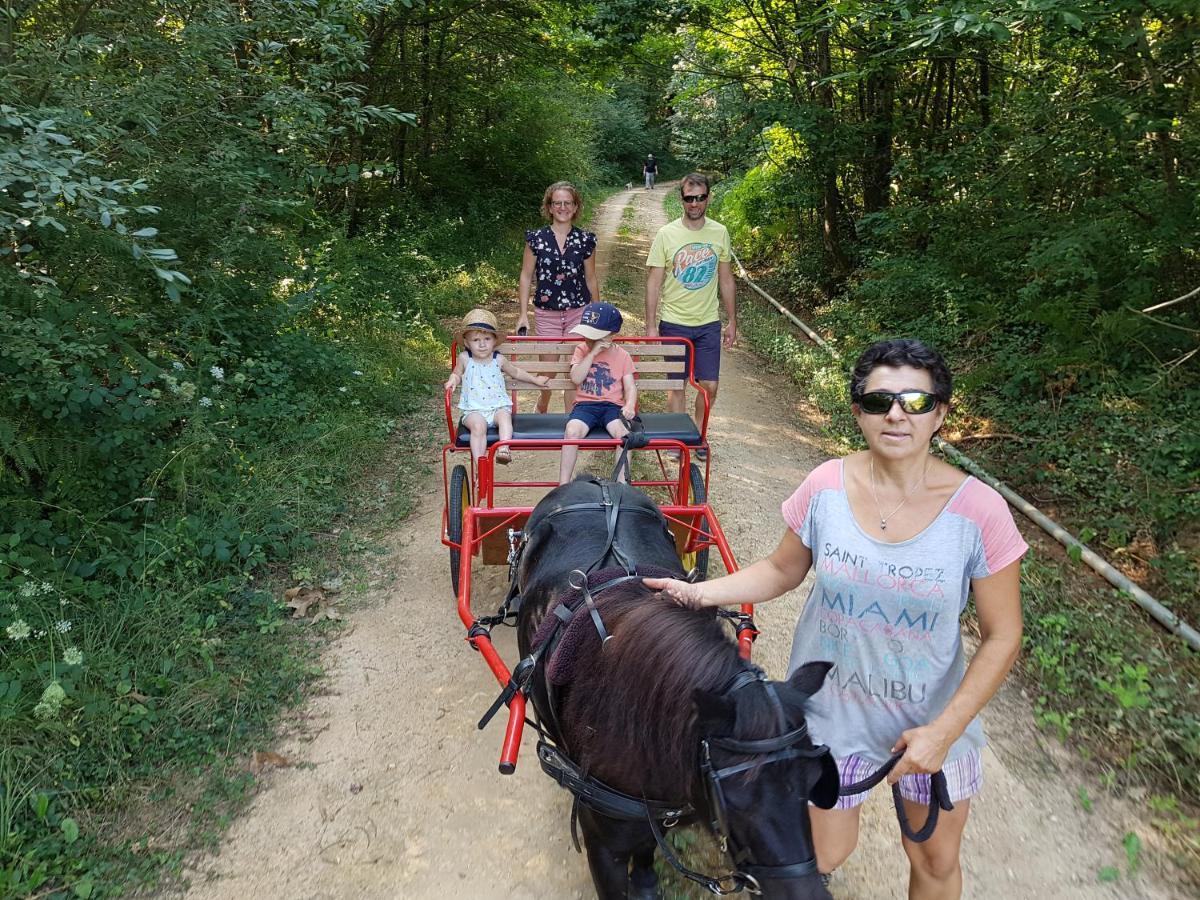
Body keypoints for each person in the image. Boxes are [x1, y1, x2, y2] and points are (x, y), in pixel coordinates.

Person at [645, 339, 1026, 900]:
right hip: (829, 720)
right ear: (858, 413)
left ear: (941, 413)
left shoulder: (979, 511)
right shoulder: (825, 486)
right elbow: (780, 569)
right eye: (879, 402)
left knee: (936, 858)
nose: (897, 414)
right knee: (821, 853)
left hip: (928, 723)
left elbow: (1004, 633)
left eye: (916, 402)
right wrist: (694, 594)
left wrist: (944, 733)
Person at [645, 173, 736, 454]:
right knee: (677, 385)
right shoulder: (666, 234)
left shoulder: (719, 232)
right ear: (682, 199)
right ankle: (677, 440)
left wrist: (732, 320)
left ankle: (697, 435)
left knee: (709, 385)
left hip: (708, 322)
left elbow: (726, 279)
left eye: (700, 198)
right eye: (689, 198)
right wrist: (650, 325)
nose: (694, 203)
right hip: (674, 322)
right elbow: (654, 282)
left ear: (708, 198)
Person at [517, 182, 599, 414]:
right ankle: (542, 403)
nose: (563, 207)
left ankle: (571, 421)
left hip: (578, 312)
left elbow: (591, 279)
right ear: (550, 207)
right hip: (547, 312)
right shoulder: (536, 239)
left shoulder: (585, 240)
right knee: (549, 370)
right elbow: (525, 276)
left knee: (574, 370)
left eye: (568, 203)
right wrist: (523, 314)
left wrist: (596, 314)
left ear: (575, 207)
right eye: (557, 203)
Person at [445, 309, 550, 466]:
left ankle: (504, 449)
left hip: (497, 407)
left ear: (494, 341)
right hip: (474, 410)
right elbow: (457, 374)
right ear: (467, 343)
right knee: (478, 427)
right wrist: (452, 380)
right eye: (476, 340)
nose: (482, 344)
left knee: (504, 418)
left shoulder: (498, 359)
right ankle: (480, 464)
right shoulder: (465, 359)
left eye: (487, 339)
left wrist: (535, 380)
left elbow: (516, 372)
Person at [559, 302, 637, 485]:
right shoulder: (581, 350)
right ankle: (563, 485)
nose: (587, 338)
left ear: (610, 335)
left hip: (612, 408)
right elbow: (576, 378)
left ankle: (621, 485)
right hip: (585, 406)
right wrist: (592, 353)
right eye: (586, 333)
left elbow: (631, 387)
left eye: (594, 336)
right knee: (571, 432)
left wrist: (629, 405)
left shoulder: (623, 356)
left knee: (624, 435)